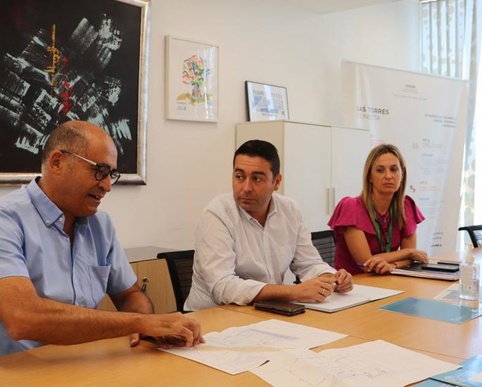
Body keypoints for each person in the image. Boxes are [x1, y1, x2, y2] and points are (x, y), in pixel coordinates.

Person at [0, 121, 203, 357]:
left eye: (111, 174)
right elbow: (23, 318)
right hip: (21, 370)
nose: (107, 186)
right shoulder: (7, 220)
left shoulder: (100, 225)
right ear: (57, 162)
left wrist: (149, 325)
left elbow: (130, 295)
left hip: (87, 362)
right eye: (99, 171)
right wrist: (138, 323)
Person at [184, 140, 353, 311]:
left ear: (277, 182)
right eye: (240, 177)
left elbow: (308, 263)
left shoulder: (290, 210)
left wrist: (331, 278)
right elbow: (223, 287)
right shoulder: (217, 214)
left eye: (257, 179)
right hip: (211, 317)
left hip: (266, 311)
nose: (246, 188)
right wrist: (293, 292)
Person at [328, 143, 429, 275]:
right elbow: (366, 264)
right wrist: (410, 252)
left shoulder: (406, 206)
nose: (388, 176)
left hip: (388, 279)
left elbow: (410, 259)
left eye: (394, 169)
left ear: (402, 174)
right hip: (353, 284)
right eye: (380, 170)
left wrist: (393, 265)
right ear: (370, 177)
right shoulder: (351, 207)